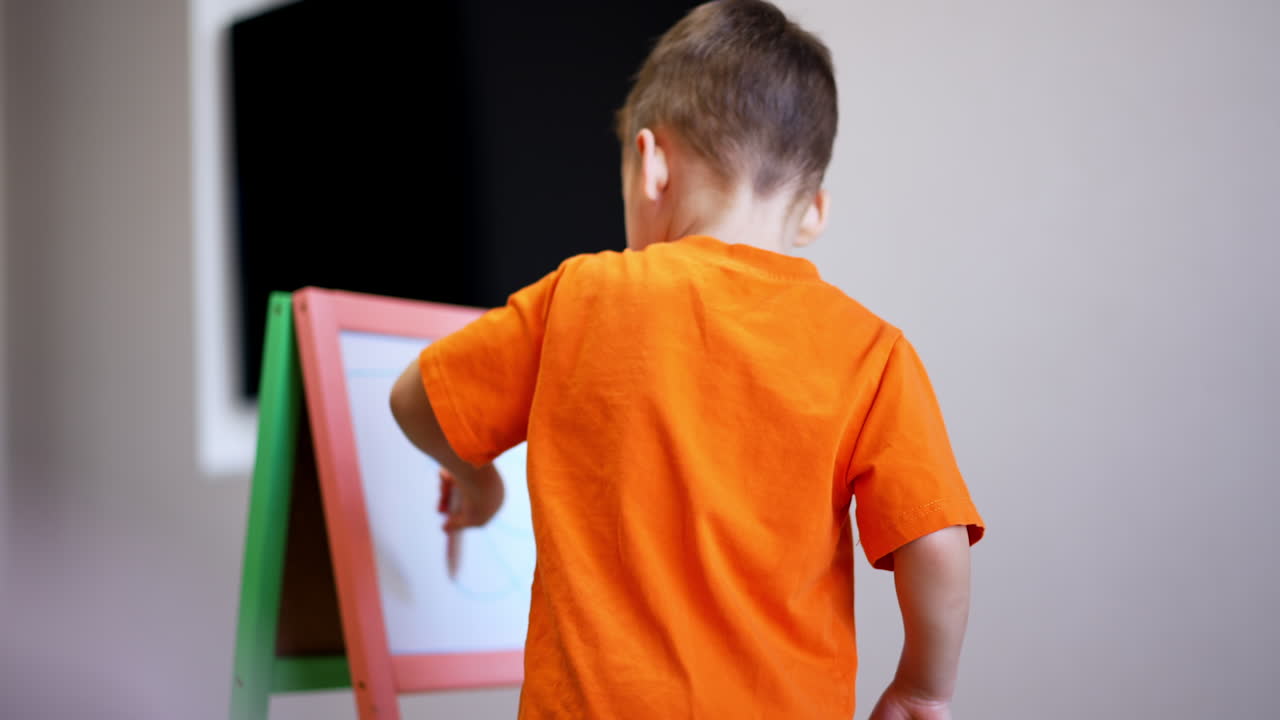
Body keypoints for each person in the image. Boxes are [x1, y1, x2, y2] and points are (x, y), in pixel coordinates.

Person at [391, 2, 984, 717]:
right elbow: (936, 539)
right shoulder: (872, 351)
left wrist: (478, 480)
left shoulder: (582, 296)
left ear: (652, 166)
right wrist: (922, 687)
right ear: (814, 212)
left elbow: (414, 401)